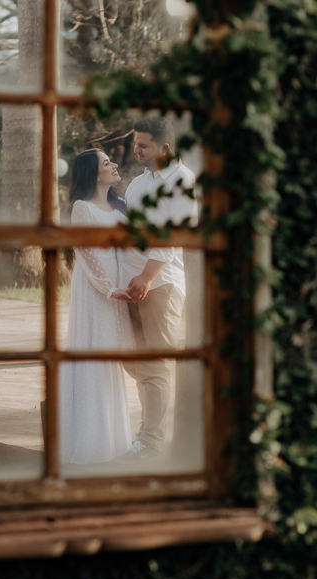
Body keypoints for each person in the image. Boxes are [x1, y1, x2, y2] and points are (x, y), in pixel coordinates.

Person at [118, 116, 198, 463]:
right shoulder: (137, 184)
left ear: (164, 147)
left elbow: (175, 235)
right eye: (136, 144)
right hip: (131, 285)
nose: (136, 150)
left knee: (155, 365)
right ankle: (145, 435)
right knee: (136, 363)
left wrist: (148, 277)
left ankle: (150, 442)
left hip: (160, 285)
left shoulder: (182, 180)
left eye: (144, 145)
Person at [58, 149, 134, 465]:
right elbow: (86, 255)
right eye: (106, 163)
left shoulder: (120, 208)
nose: (114, 165)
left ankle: (116, 440)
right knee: (95, 356)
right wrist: (110, 288)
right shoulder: (82, 208)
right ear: (94, 173)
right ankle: (91, 443)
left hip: (118, 290)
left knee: (111, 360)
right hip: (96, 290)